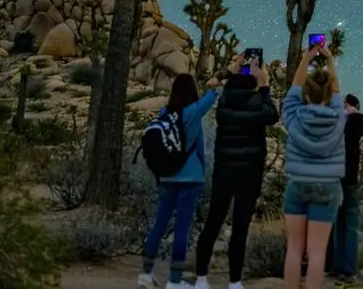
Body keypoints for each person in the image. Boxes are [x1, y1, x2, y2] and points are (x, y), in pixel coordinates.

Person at [193, 56, 279, 289]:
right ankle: (234, 282)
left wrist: (227, 71)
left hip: (224, 171)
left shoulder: (224, 102)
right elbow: (273, 115)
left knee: (213, 221)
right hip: (249, 174)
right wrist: (265, 84)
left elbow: (210, 84)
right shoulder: (257, 102)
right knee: (240, 227)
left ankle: (201, 278)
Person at [138, 73, 220, 289]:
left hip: (166, 177)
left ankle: (146, 274)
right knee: (182, 229)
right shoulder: (193, 112)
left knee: (159, 224)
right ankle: (174, 281)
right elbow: (213, 96)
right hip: (190, 178)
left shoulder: (166, 113)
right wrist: (218, 81)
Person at [282, 43, 347, 289]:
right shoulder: (340, 116)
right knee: (317, 252)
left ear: (306, 95)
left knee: (295, 250)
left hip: (298, 183)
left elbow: (294, 89)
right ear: (331, 95)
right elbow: (337, 92)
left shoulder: (293, 115)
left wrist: (306, 59)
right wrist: (329, 60)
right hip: (328, 186)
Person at [326, 93, 363, 288]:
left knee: (339, 223)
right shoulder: (353, 122)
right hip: (348, 179)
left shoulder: (342, 121)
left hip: (334, 177)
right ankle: (347, 268)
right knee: (348, 224)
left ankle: (339, 265)